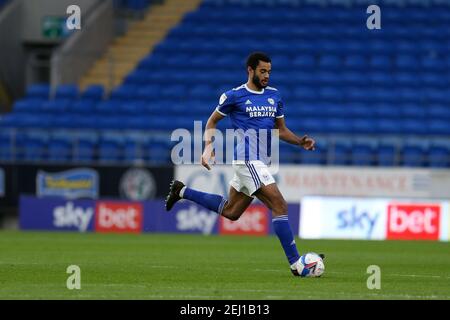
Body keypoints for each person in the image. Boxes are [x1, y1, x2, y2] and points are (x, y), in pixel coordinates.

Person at [165, 52, 322, 277]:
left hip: (260, 162)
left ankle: (181, 191)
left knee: (231, 211)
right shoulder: (234, 96)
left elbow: (281, 130)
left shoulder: (275, 96)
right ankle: (296, 264)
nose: (267, 75)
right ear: (250, 70)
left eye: (269, 71)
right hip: (247, 159)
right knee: (280, 204)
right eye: (262, 71)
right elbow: (212, 121)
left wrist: (299, 142)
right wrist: (208, 146)